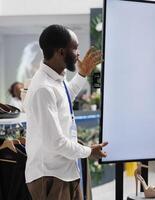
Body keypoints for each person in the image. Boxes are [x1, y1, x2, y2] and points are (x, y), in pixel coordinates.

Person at [24, 24, 108, 200]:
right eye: (75, 48)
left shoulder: (55, 79)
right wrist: (88, 151)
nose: (78, 54)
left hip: (64, 172)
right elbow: (56, 143)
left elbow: (65, 97)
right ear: (61, 52)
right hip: (49, 176)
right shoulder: (43, 88)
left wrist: (82, 74)